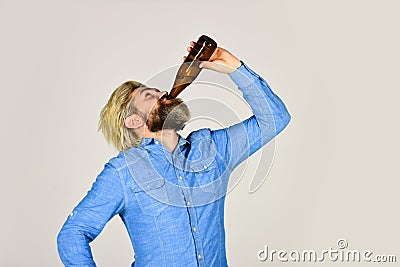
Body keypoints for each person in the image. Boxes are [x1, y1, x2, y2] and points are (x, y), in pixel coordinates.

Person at [57, 39, 291, 267]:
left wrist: (229, 63)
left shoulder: (213, 149)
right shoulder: (124, 171)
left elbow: (276, 118)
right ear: (134, 120)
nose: (161, 92)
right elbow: (73, 235)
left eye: (157, 90)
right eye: (149, 95)